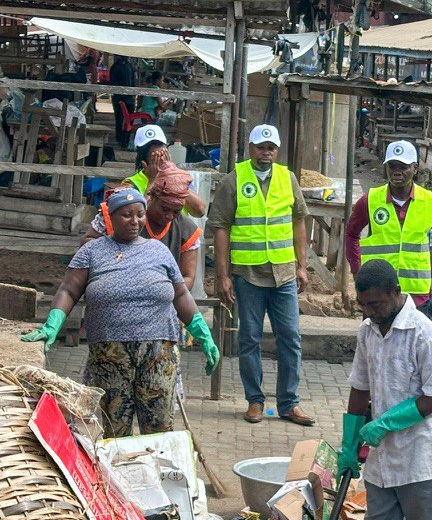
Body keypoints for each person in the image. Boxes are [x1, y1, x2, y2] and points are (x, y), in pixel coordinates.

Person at [21, 186, 220, 437]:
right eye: (126, 215)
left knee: (159, 427)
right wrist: (52, 324)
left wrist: (202, 332)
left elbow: (180, 294)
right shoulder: (92, 251)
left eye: (140, 214)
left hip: (158, 352)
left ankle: (155, 474)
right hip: (109, 354)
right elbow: (69, 290)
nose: (135, 221)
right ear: (111, 218)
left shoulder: (157, 250)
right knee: (115, 429)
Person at [338, 260, 432, 520]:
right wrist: (349, 443)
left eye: (374, 304)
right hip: (381, 456)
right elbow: (359, 388)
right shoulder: (367, 331)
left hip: (419, 453)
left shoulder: (423, 332)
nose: (368, 312)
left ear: (395, 293)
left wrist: (385, 422)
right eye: (362, 306)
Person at [208, 124, 312, 426]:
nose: (265, 152)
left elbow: (299, 223)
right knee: (249, 338)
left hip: (283, 274)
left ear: (276, 151)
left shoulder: (288, 178)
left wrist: (302, 264)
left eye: (271, 148)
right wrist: (223, 275)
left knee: (290, 338)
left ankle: (288, 403)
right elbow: (221, 229)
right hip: (248, 275)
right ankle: (255, 401)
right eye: (260, 147)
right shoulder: (234, 180)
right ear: (250, 148)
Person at [345, 139, 432, 310]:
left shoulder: (431, 202)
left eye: (403, 167)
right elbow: (351, 234)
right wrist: (357, 272)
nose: (397, 172)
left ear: (415, 168)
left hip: (416, 294)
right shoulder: (370, 200)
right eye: (392, 166)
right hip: (377, 292)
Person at [82, 162, 203, 289]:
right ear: (152, 196)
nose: (169, 216)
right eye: (165, 209)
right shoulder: (120, 215)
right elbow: (86, 245)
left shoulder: (187, 230)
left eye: (176, 211)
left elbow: (188, 277)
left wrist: (159, 291)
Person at [127, 125, 206, 217]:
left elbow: (199, 211)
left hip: (176, 230)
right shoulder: (131, 183)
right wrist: (152, 180)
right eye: (154, 156)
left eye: (161, 150)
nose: (159, 157)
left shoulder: (180, 176)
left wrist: (173, 177)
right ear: (142, 158)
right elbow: (140, 218)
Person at [109, 55, 136, 148]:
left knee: (126, 119)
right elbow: (113, 83)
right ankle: (122, 139)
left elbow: (132, 81)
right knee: (120, 119)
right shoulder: (117, 67)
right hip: (121, 97)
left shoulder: (128, 65)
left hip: (126, 97)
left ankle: (124, 139)